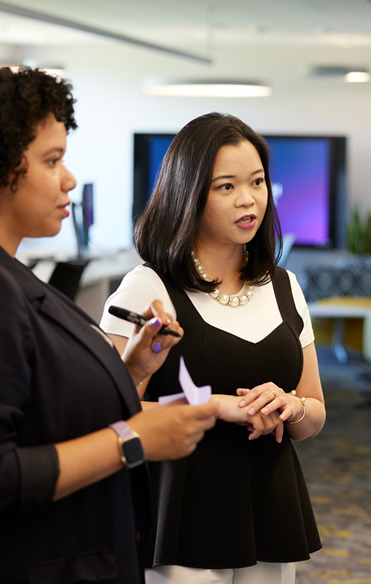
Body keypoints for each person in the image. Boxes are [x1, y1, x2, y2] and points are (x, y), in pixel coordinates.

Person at [0, 67, 220, 583]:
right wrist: (132, 438)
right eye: (51, 160)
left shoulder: (17, 279)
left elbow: (45, 411)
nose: (69, 179)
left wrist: (132, 368)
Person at [99, 112, 326, 584]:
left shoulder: (284, 285)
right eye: (226, 186)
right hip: (180, 512)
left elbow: (314, 414)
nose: (248, 199)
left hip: (270, 505)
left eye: (258, 182)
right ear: (188, 193)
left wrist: (292, 407)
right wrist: (216, 407)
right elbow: (107, 417)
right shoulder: (148, 287)